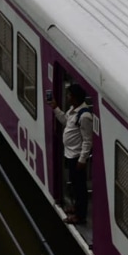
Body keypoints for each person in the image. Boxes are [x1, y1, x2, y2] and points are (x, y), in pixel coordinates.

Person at [49, 83, 94, 225]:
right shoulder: (72, 110)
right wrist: (55, 108)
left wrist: (82, 159)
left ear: (75, 98)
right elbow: (65, 121)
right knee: (74, 184)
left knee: (80, 187)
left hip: (76, 156)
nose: (67, 97)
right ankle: (75, 208)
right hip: (69, 154)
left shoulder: (84, 115)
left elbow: (88, 140)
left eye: (69, 95)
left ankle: (80, 216)